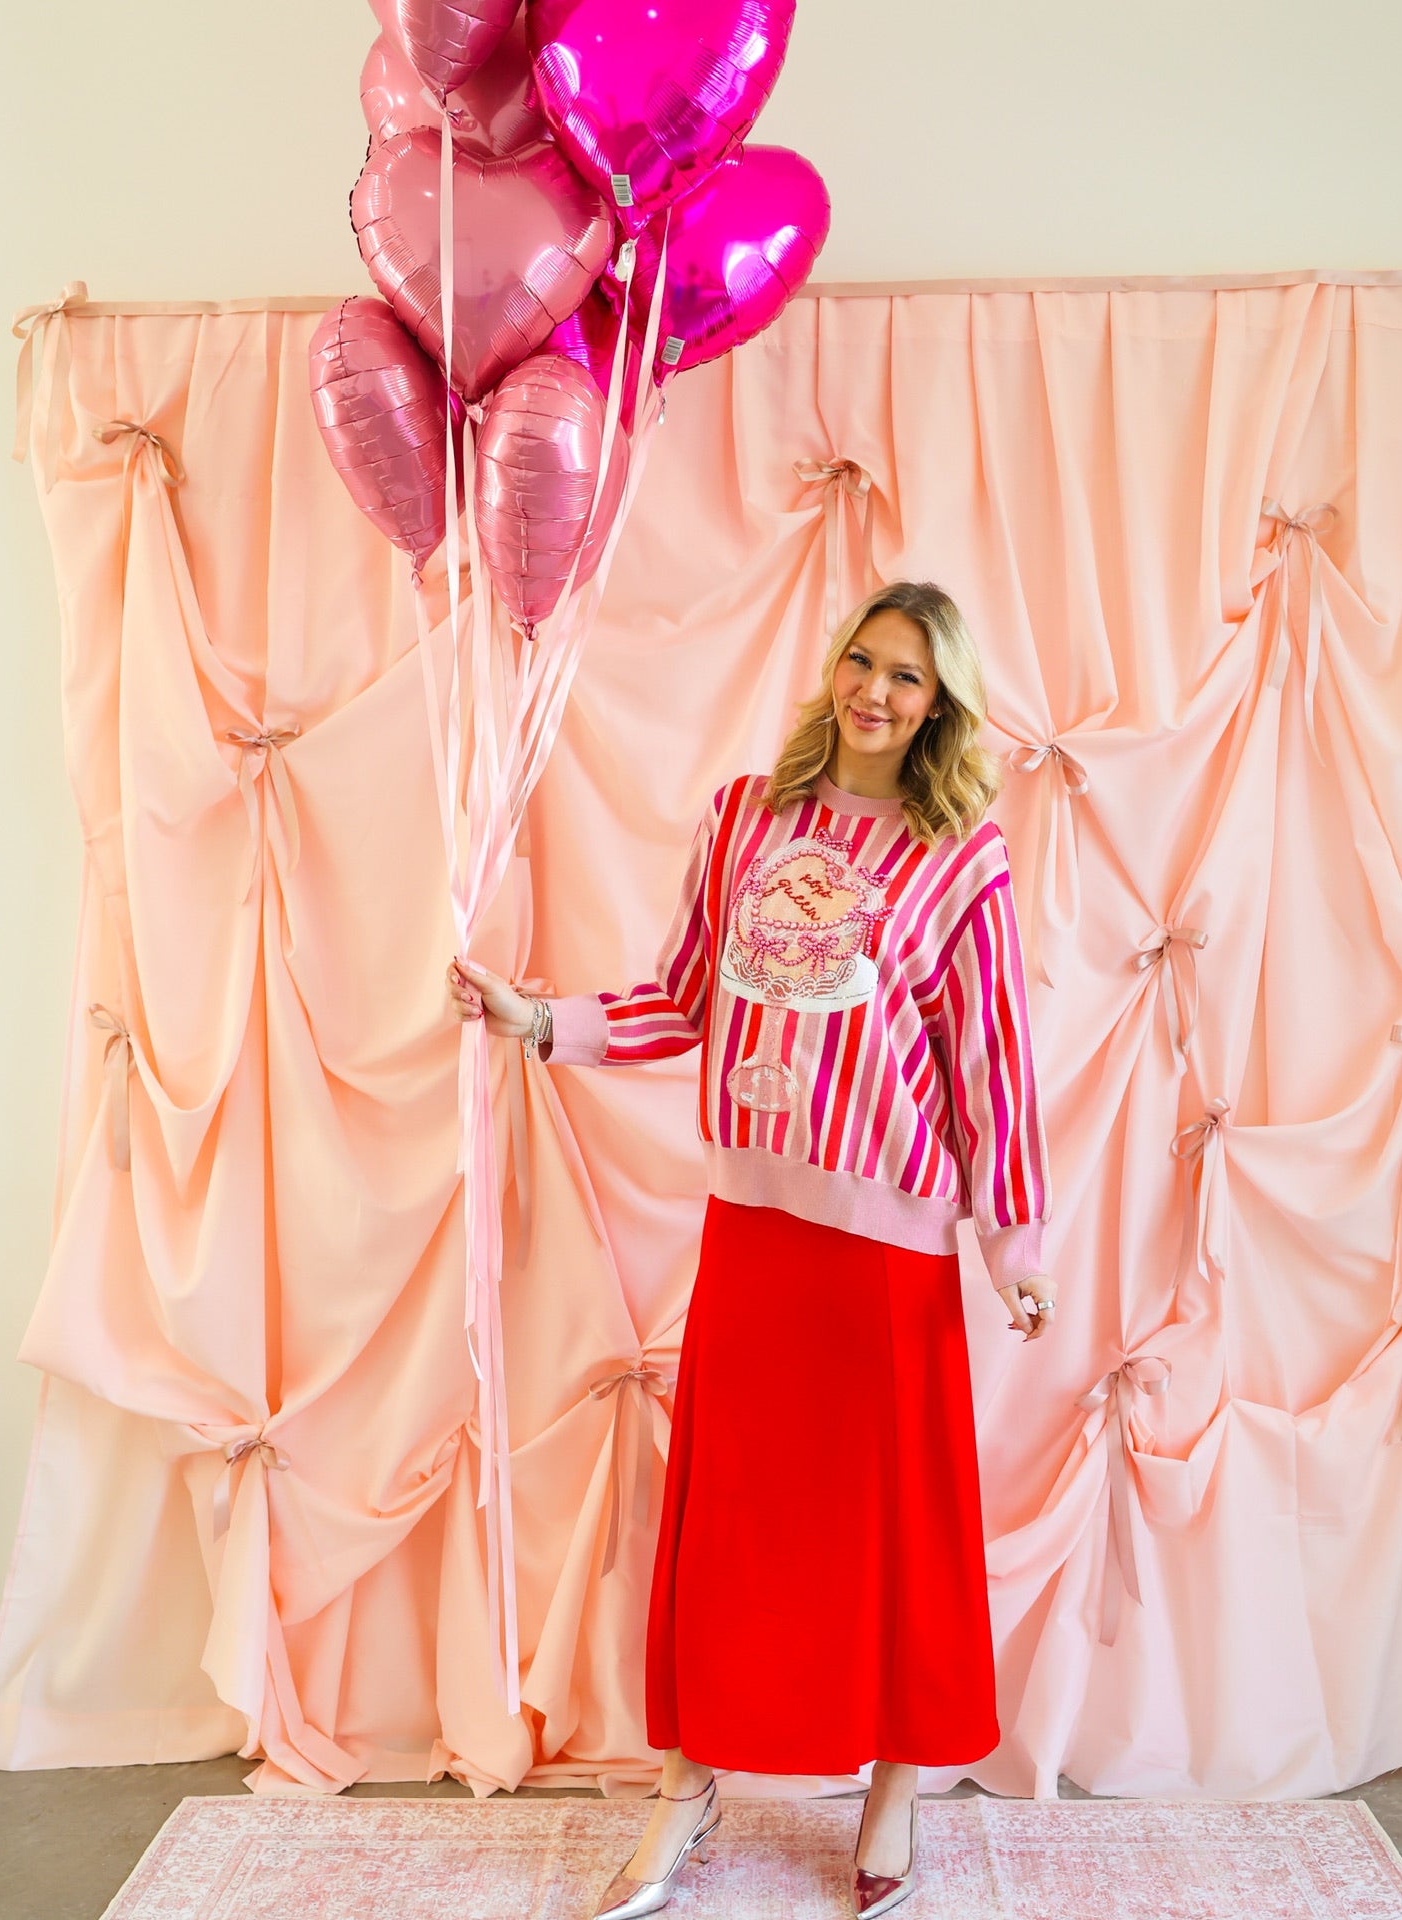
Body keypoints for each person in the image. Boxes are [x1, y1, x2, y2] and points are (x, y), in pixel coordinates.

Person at [449, 580, 1056, 1919]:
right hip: (757, 1231)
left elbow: (991, 1055)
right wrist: (538, 1022)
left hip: (889, 1249)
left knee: (896, 1533)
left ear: (938, 706)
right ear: (834, 668)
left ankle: (897, 1783)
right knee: (732, 1523)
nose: (876, 692)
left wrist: (1014, 1247)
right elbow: (682, 997)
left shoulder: (960, 858)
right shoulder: (743, 818)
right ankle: (690, 1783)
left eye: (908, 677)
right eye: (863, 661)